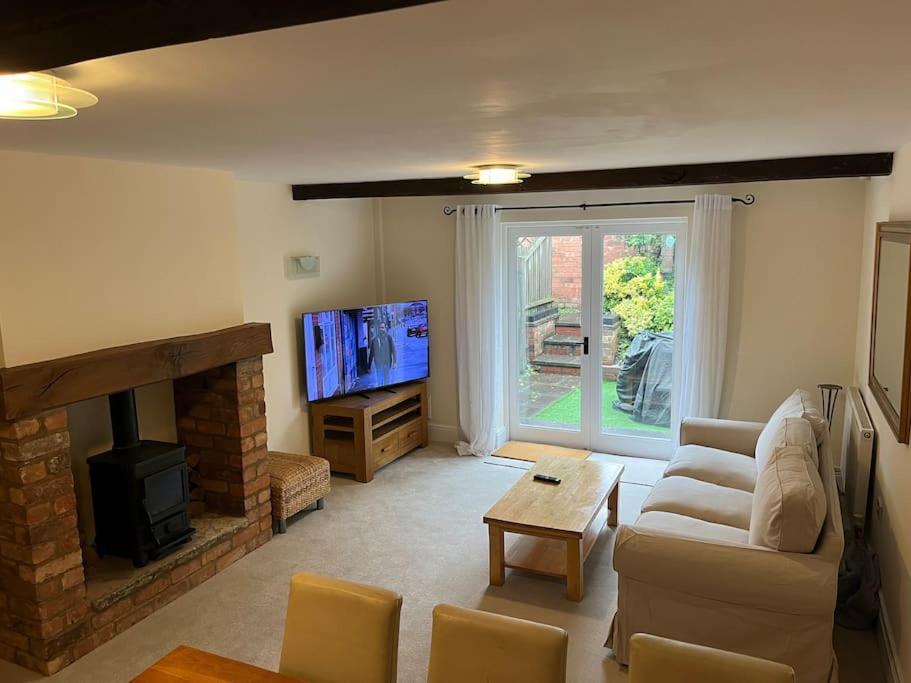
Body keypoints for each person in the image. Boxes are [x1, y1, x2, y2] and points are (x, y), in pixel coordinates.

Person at [368, 321, 396, 385]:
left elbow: (393, 350)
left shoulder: (389, 338)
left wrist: (394, 362)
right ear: (378, 329)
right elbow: (371, 353)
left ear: (385, 328)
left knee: (386, 380)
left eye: (382, 327)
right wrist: (369, 367)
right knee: (380, 381)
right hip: (378, 364)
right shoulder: (374, 340)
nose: (381, 329)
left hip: (387, 363)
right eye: (380, 328)